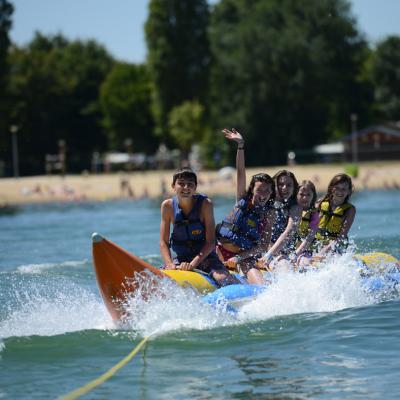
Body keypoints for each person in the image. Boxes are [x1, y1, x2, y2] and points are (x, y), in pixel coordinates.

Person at [216, 128, 276, 284]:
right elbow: (240, 172)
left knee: (251, 271)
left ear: (271, 193)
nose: (263, 194)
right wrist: (240, 146)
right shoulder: (243, 199)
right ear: (252, 190)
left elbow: (263, 246)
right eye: (259, 190)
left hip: (244, 255)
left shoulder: (269, 213)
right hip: (219, 249)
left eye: (267, 191)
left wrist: (239, 257)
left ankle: (260, 289)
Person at [159, 167, 238, 286]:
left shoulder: (205, 204)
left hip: (206, 258)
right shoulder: (167, 206)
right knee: (158, 279)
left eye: (190, 184)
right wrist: (169, 263)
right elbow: (163, 242)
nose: (186, 187)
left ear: (195, 187)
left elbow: (210, 241)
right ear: (173, 186)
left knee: (222, 279)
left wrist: (193, 264)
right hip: (181, 259)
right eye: (181, 184)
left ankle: (236, 281)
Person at [259, 170, 301, 271]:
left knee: (284, 265)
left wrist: (269, 255)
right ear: (273, 186)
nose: (284, 188)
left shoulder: (295, 208)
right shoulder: (264, 204)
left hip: (282, 253)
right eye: (280, 184)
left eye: (289, 185)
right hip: (262, 250)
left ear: (294, 188)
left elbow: (288, 232)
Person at [315, 173, 356, 254]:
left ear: (349, 191)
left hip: (336, 246)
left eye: (343, 189)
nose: (340, 192)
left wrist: (325, 250)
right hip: (317, 243)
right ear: (331, 188)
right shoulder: (319, 204)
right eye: (337, 188)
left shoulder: (350, 210)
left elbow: (342, 236)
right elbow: (311, 227)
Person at [293, 180, 319, 269]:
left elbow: (310, 237)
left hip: (305, 250)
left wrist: (297, 253)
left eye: (308, 195)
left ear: (313, 196)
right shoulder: (290, 211)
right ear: (295, 194)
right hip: (288, 249)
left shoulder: (313, 214)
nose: (305, 198)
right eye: (301, 194)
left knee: (304, 264)